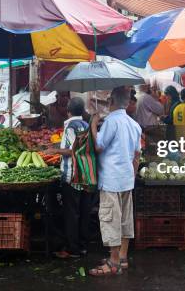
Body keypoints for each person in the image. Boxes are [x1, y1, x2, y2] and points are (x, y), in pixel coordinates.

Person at [89, 86, 142, 276]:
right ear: (128, 103)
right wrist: (132, 176)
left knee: (111, 218)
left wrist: (94, 125)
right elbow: (137, 155)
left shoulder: (111, 121)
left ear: (111, 102)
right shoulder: (134, 124)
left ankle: (113, 263)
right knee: (125, 219)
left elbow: (99, 147)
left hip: (111, 179)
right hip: (127, 178)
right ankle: (122, 257)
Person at [44, 97, 94, 259]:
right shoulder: (87, 125)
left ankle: (73, 249)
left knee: (72, 213)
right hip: (86, 174)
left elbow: (74, 150)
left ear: (68, 110)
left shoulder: (71, 126)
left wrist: (55, 151)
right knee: (84, 212)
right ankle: (83, 246)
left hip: (73, 175)